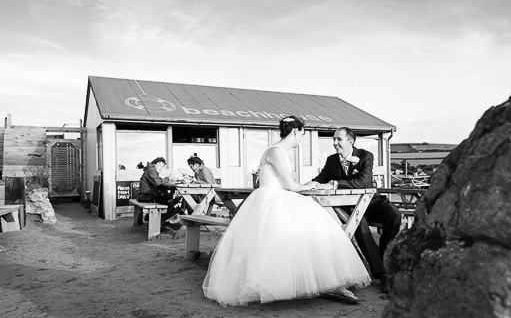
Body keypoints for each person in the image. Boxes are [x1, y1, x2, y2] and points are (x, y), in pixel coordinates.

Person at [203, 116, 371, 307]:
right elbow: (290, 185)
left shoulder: (280, 152)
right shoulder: (275, 151)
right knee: (310, 224)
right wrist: (310, 186)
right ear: (295, 132)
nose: (301, 140)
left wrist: (308, 184)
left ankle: (322, 281)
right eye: (301, 135)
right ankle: (325, 283)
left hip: (277, 195)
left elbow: (287, 183)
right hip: (272, 198)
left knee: (310, 228)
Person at [310, 127, 402, 286]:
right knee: (358, 222)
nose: (335, 143)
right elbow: (320, 179)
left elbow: (362, 183)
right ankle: (381, 274)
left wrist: (336, 184)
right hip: (349, 207)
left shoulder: (366, 156)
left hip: (372, 202)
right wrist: (310, 184)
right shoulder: (331, 161)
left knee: (394, 215)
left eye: (338, 139)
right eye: (334, 139)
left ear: (350, 141)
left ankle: (386, 259)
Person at [138, 157, 181, 231]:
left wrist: (167, 184)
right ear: (154, 164)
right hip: (147, 196)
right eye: (160, 165)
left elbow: (158, 181)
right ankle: (160, 223)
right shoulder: (151, 171)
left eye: (162, 166)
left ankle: (152, 220)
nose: (161, 168)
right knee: (172, 203)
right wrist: (168, 178)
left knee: (169, 200)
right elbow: (158, 183)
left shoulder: (151, 171)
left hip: (147, 195)